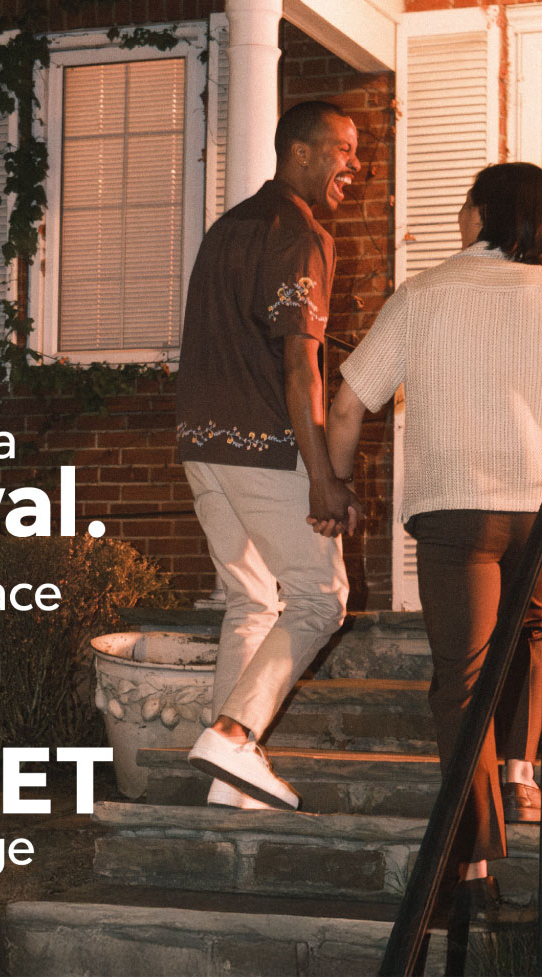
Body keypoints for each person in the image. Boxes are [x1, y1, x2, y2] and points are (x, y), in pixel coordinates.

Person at [323, 162, 542, 895]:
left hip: (453, 509)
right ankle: (522, 771)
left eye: (464, 206)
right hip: (541, 508)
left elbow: (347, 406)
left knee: (459, 681)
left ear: (479, 215)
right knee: (528, 633)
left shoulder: (423, 294)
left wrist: (334, 487)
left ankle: (472, 855)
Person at [177, 101, 362, 811]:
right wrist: (322, 477)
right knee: (319, 600)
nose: (352, 165)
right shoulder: (301, 234)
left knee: (251, 598)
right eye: (342, 149)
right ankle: (232, 730)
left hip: (202, 443)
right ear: (300, 152)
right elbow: (299, 368)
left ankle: (229, 779)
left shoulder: (227, 229)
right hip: (262, 444)